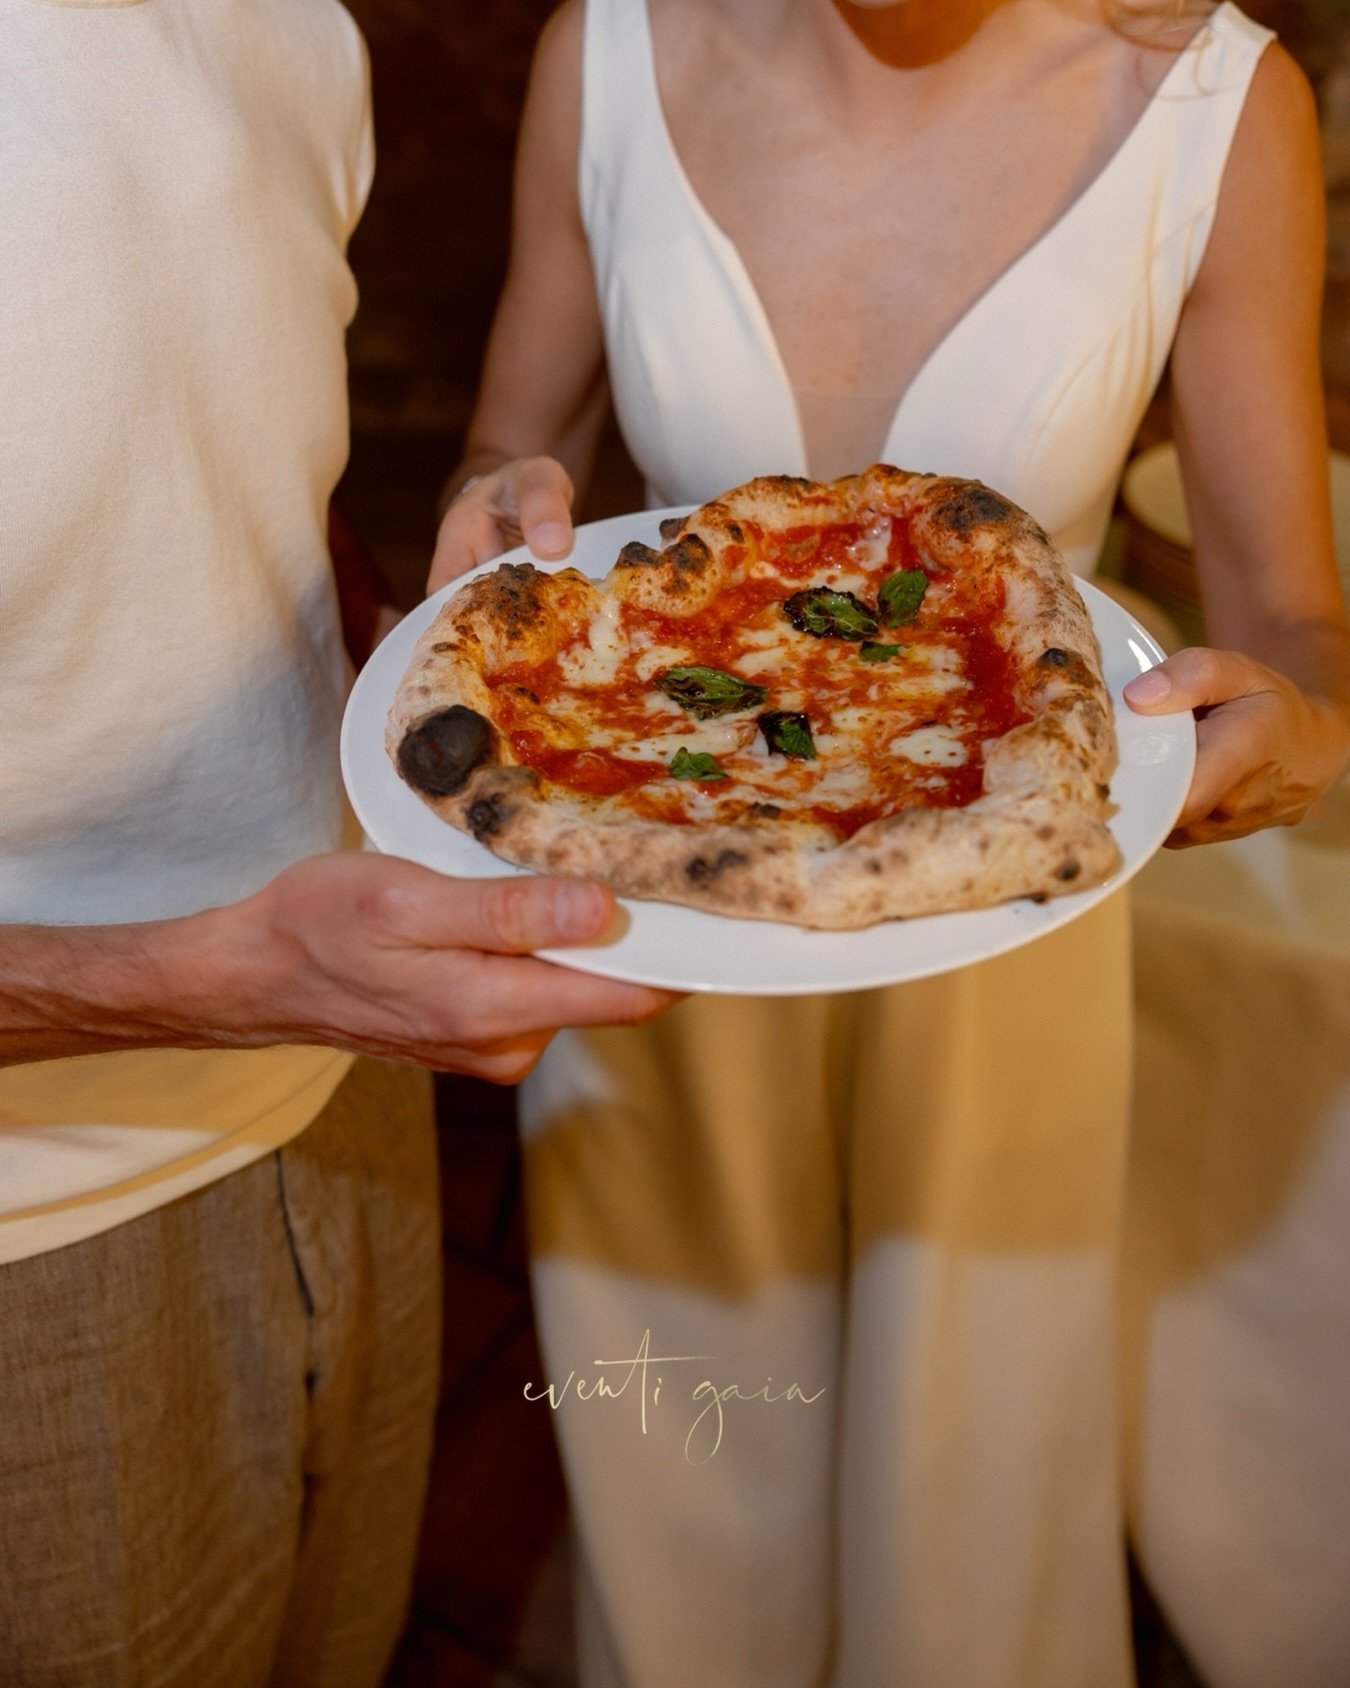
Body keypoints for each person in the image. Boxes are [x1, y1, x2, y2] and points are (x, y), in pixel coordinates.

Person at [430, 0, 1350, 1683]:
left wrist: (1304, 722)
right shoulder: (608, 48)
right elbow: (508, 456)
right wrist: (490, 508)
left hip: (1021, 889)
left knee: (975, 1480)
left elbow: (1290, 615)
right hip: (648, 872)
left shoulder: (1220, 100)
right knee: (677, 1453)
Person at [0, 0, 671, 1681]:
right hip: (40, 1229)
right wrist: (175, 982)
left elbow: (211, 508)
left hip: (348, 1080)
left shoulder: (298, 25)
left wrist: (439, 601)